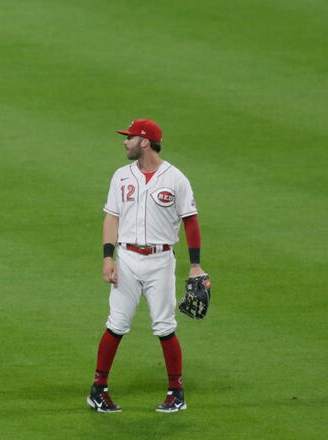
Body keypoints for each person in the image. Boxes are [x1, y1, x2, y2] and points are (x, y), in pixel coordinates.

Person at [86, 119, 206, 414]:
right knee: (117, 323)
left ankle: (176, 391)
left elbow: (190, 221)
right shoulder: (121, 176)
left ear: (145, 142)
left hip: (161, 261)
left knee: (165, 326)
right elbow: (111, 217)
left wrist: (195, 266)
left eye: (129, 138)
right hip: (126, 259)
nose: (124, 142)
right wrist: (107, 257)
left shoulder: (175, 178)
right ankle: (98, 389)